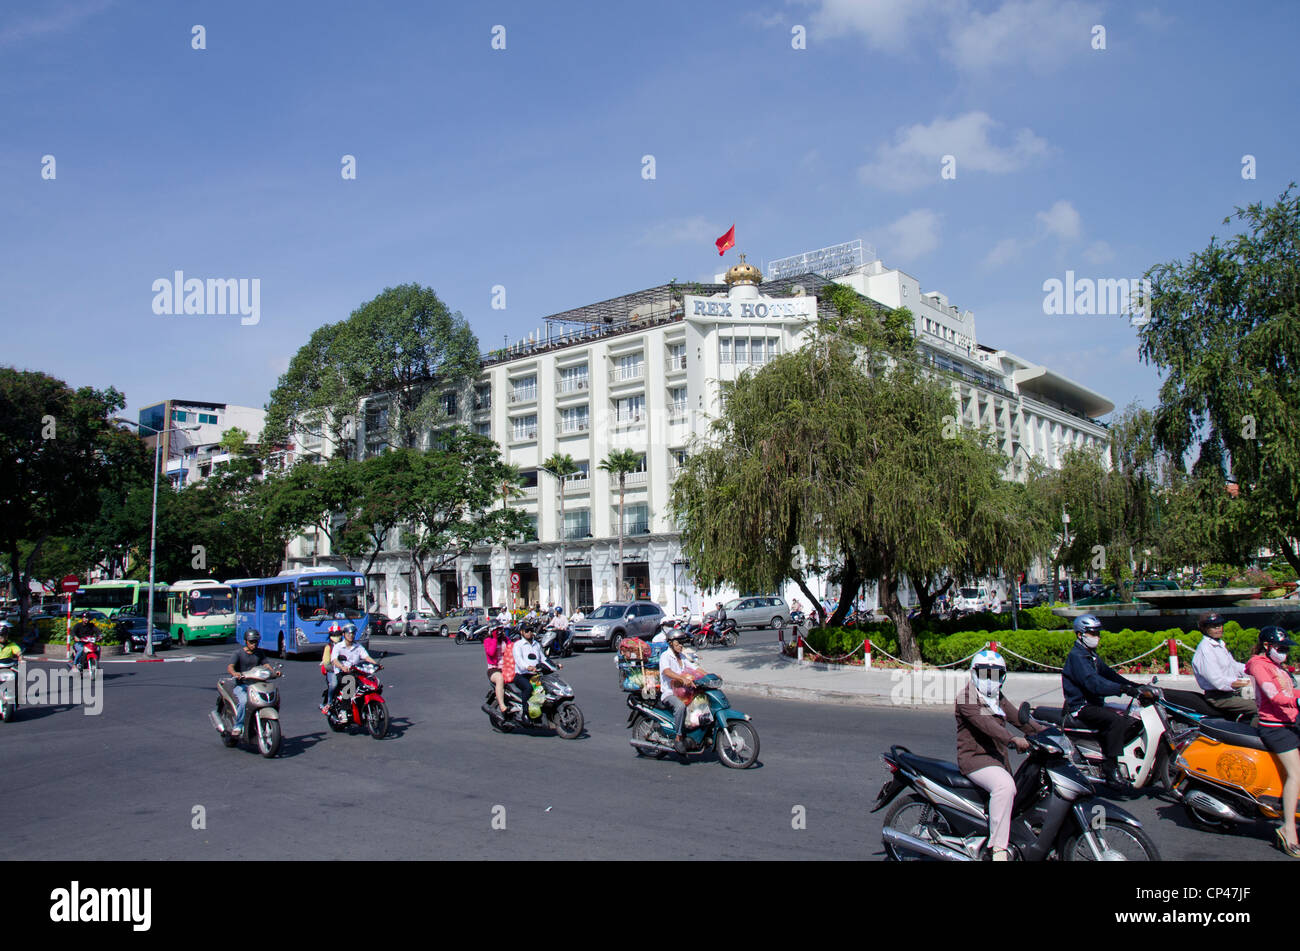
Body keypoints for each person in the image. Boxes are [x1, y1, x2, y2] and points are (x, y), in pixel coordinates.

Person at [956, 649, 1043, 861]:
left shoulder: (997, 698)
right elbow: (987, 725)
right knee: (1005, 786)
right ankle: (998, 850)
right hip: (975, 759)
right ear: (975, 673)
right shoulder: (967, 698)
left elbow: (1020, 719)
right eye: (985, 674)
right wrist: (1012, 740)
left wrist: (1047, 734)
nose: (990, 679)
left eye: (994, 675)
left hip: (996, 759)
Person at [1061, 613, 1143, 787]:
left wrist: (1135, 686)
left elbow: (1109, 674)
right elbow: (1094, 684)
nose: (1096, 637)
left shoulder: (1090, 654)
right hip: (1081, 706)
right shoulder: (1078, 657)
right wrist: (1121, 689)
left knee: (1133, 716)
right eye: (1092, 633)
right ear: (1080, 635)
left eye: (1098, 633)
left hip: (1095, 703)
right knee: (1115, 721)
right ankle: (1110, 767)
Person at [1245, 626, 1300, 857]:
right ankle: (1289, 830)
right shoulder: (1259, 665)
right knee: (1296, 774)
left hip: (1291, 722)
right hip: (1275, 728)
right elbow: (1275, 697)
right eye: (1280, 648)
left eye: (1286, 649)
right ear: (1267, 647)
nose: (1284, 652)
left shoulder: (1277, 666)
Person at [1191, 612, 1256, 720]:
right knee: (1259, 708)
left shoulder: (1219, 644)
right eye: (1213, 626)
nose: (1218, 628)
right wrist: (1248, 682)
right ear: (1204, 628)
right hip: (1219, 697)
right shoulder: (1206, 650)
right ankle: (1254, 736)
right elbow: (1218, 681)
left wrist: (1255, 670)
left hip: (1230, 694)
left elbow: (1234, 666)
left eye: (1220, 625)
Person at [658, 627, 705, 755]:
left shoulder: (682, 658)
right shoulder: (665, 656)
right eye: (677, 643)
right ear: (670, 643)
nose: (680, 645)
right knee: (680, 707)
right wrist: (682, 678)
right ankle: (678, 738)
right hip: (670, 693)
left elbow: (694, 668)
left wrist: (708, 675)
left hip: (684, 692)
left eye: (681, 643)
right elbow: (666, 671)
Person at [225, 632, 280, 736]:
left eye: (256, 642)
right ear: (246, 642)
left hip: (256, 684)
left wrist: (273, 672)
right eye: (251, 642)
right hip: (241, 684)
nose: (254, 644)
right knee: (244, 701)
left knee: (272, 696)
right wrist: (235, 673)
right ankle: (238, 725)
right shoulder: (238, 653)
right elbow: (230, 666)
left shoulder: (259, 653)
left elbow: (266, 665)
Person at [510, 623, 552, 710]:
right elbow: (519, 660)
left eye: (531, 630)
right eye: (527, 631)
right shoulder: (518, 645)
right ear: (521, 632)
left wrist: (554, 665)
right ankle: (525, 713)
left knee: (544, 690)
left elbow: (543, 658)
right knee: (528, 688)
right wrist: (528, 667)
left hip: (535, 675)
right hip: (521, 676)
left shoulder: (536, 644)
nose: (529, 632)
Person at [484, 623, 511, 715]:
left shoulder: (505, 640)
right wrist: (495, 639)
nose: (499, 632)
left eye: (500, 629)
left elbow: (512, 649)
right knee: (500, 679)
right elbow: (491, 653)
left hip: (507, 667)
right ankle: (502, 705)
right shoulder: (488, 640)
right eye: (497, 630)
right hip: (494, 669)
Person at [319, 624, 344, 713]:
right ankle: (328, 703)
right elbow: (326, 663)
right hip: (332, 670)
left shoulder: (345, 646)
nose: (336, 637)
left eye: (338, 634)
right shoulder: (328, 647)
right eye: (334, 635)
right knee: (334, 684)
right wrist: (334, 668)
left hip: (345, 670)